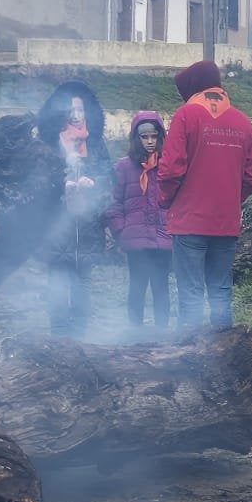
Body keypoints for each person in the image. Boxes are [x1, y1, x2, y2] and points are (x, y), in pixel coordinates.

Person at [159, 60, 252, 331]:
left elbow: (170, 171)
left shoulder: (186, 115)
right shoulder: (243, 122)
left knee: (191, 294)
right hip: (225, 224)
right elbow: (251, 179)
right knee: (220, 293)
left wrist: (166, 200)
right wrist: (227, 200)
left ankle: (192, 361)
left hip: (189, 222)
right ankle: (224, 357)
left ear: (193, 88)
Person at [37, 81, 110, 338]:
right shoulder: (47, 143)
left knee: (82, 284)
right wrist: (61, 186)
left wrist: (94, 184)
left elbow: (108, 180)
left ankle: (81, 338)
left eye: (80, 109)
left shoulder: (97, 144)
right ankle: (59, 339)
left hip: (87, 228)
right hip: (56, 229)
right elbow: (37, 183)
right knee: (58, 284)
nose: (76, 114)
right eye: (70, 109)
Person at [106, 111, 174, 335]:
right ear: (136, 139)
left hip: (163, 239)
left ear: (161, 137)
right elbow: (114, 202)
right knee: (137, 287)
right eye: (144, 137)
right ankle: (135, 333)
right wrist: (121, 231)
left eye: (154, 136)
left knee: (161, 288)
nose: (150, 141)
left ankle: (161, 334)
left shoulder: (169, 165)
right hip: (135, 241)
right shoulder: (123, 167)